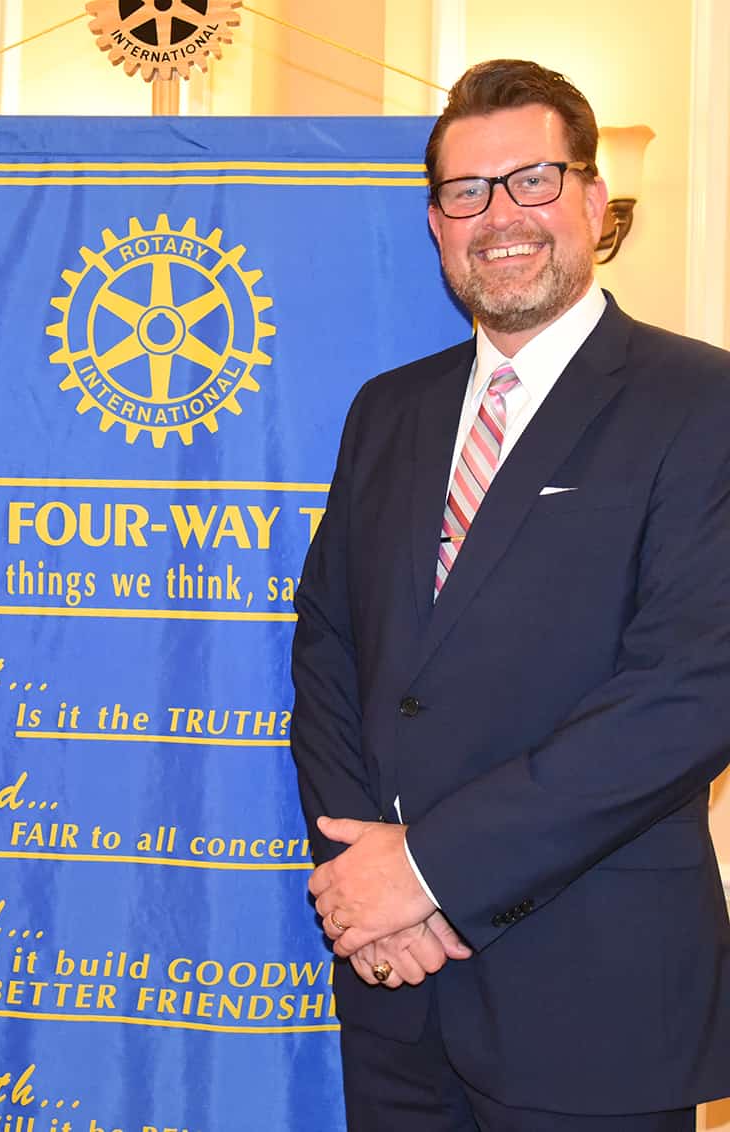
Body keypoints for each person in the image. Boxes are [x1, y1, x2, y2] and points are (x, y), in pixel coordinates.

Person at [291, 59, 730, 1131]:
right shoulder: (386, 412)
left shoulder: (703, 402)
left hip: (593, 999)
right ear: (436, 223)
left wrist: (427, 873)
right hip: (397, 996)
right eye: (466, 192)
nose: (501, 218)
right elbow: (329, 651)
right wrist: (367, 880)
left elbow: (689, 694)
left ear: (593, 198)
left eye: (532, 181)